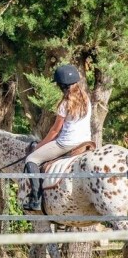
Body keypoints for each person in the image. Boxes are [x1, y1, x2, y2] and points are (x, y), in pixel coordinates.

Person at [23, 64, 91, 211]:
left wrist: (40, 145)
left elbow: (55, 130)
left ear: (61, 85)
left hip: (67, 143)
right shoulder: (86, 99)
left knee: (31, 159)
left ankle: (35, 199)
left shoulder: (65, 103)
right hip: (85, 140)